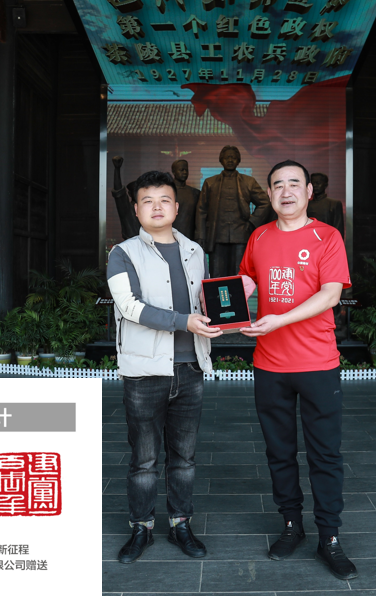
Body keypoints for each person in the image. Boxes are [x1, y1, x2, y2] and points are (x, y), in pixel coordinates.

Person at [238, 159, 356, 580]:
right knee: (279, 452)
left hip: (317, 364)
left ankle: (330, 537)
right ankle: (291, 524)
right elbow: (247, 281)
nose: (285, 191)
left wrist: (279, 320)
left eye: (294, 184)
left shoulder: (327, 237)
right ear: (269, 194)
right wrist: (219, 303)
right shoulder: (259, 236)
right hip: (269, 365)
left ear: (308, 192)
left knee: (325, 454)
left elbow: (330, 295)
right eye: (277, 185)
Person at [107, 170, 223, 564]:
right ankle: (141, 528)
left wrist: (225, 312)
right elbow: (130, 307)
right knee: (144, 460)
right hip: (145, 372)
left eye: (164, 200)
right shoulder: (123, 253)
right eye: (148, 201)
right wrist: (185, 321)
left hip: (190, 368)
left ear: (176, 207)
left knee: (184, 458)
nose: (157, 207)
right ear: (136, 210)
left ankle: (180, 524)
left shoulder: (195, 251)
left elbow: (204, 300)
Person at [195, 145, 270, 277]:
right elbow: (201, 210)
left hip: (240, 235)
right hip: (217, 236)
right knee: (217, 274)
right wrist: (200, 236)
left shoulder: (248, 182)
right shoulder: (210, 182)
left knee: (239, 274)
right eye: (227, 157)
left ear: (238, 160)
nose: (230, 160)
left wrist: (252, 222)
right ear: (221, 160)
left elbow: (265, 202)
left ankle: (237, 292)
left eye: (233, 158)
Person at [110, 155, 140, 239]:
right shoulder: (127, 208)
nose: (138, 194)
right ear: (130, 194)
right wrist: (117, 169)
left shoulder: (149, 208)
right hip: (131, 243)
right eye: (135, 191)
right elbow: (118, 192)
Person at [307, 172, 344, 239]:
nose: (315, 185)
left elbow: (338, 228)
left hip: (327, 239)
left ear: (325, 185)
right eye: (313, 183)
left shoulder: (334, 204)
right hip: (309, 239)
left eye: (318, 183)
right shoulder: (307, 204)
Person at [171, 158, 200, 240]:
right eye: (181, 170)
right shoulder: (167, 192)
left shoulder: (195, 193)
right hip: (170, 236)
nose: (184, 172)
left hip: (190, 237)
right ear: (174, 172)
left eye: (186, 170)